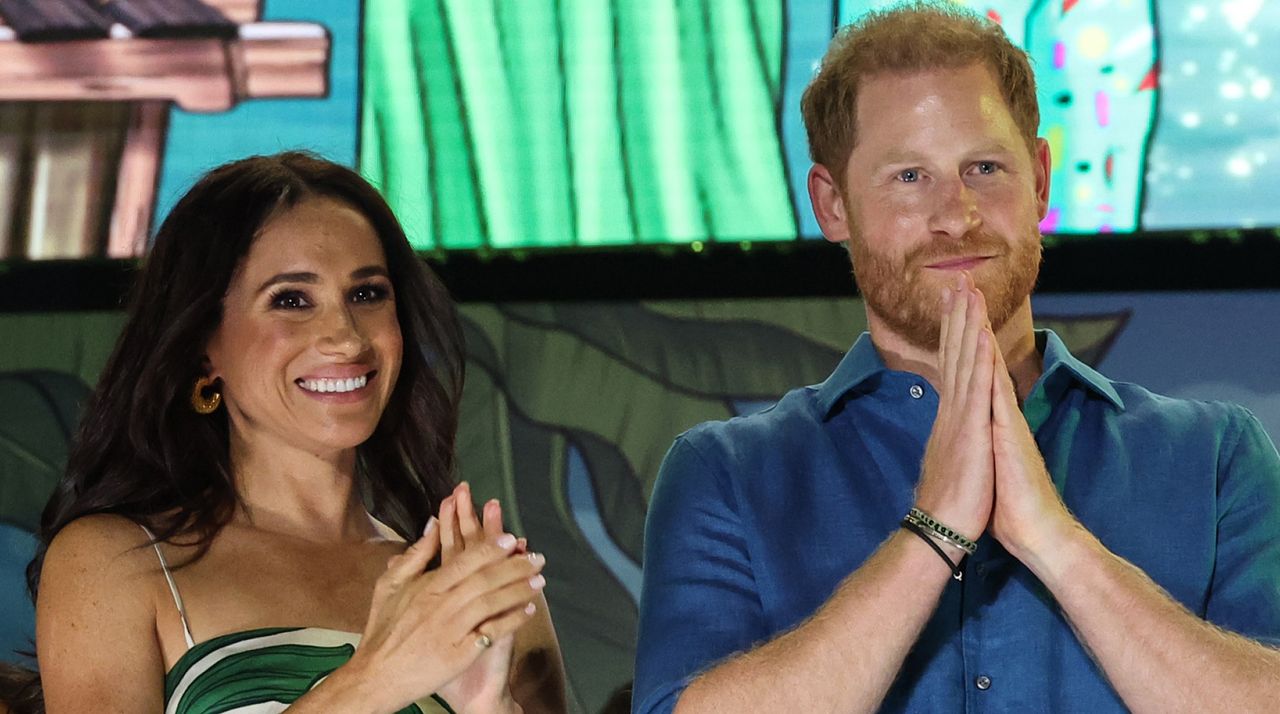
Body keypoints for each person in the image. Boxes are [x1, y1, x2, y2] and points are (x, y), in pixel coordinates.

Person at [633, 3, 1280, 712]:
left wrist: (1056, 542)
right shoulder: (727, 474)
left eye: (984, 167)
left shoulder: (1214, 457)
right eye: (910, 176)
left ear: (1039, 179)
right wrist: (933, 532)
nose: (957, 215)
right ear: (832, 205)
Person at [5, 152, 565, 713]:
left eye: (367, 293)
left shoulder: (475, 586)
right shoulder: (116, 561)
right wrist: (377, 678)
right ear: (204, 349)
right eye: (291, 300)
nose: (346, 338)